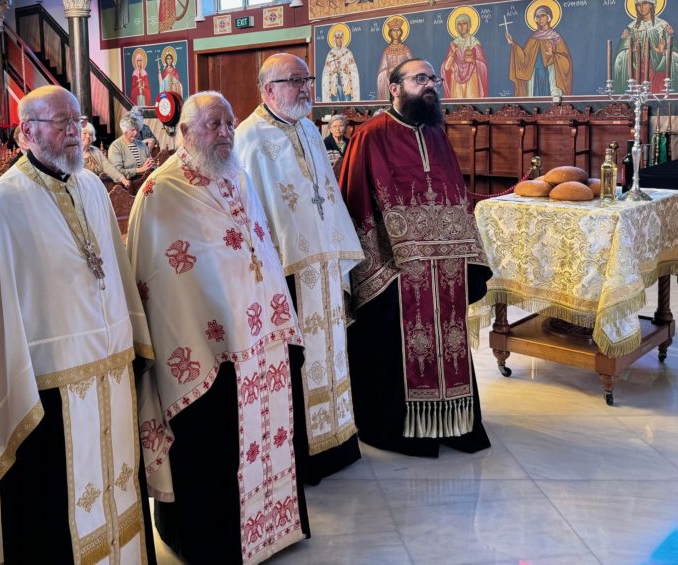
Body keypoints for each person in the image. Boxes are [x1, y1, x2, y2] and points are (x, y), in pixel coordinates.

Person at [0, 85, 155, 564]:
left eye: (77, 122)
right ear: (27, 132)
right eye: (61, 124)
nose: (75, 134)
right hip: (46, 386)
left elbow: (115, 274)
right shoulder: (2, 204)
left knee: (119, 488)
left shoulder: (91, 186)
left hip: (110, 370)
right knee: (53, 508)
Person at [128, 91, 309, 564]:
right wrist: (208, 329)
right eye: (213, 124)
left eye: (229, 123)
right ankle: (209, 541)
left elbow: (261, 251)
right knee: (210, 451)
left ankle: (271, 526)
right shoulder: (160, 192)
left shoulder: (237, 175)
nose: (226, 132)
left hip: (259, 340)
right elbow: (159, 281)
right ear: (184, 133)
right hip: (202, 350)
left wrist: (279, 317)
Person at [337, 58, 492, 457]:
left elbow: (455, 195)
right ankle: (399, 428)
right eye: (420, 79)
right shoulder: (370, 136)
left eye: (432, 79)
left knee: (450, 343)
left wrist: (466, 249)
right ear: (394, 87)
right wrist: (381, 263)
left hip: (446, 269)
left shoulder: (437, 132)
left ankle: (453, 422)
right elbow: (356, 204)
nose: (430, 86)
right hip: (395, 271)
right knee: (394, 340)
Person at [235, 55, 365, 485]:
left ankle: (339, 439)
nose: (305, 87)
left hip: (323, 265)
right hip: (286, 271)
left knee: (332, 353)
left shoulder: (310, 128)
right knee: (300, 362)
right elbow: (253, 213)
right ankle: (304, 455)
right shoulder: (249, 138)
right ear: (267, 90)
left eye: (306, 79)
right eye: (295, 81)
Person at [613, 0, 676, 93]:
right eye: (638, 5)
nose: (641, 7)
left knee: (658, 91)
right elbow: (620, 56)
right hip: (637, 69)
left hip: (657, 70)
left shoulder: (663, 26)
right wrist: (630, 51)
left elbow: (674, 52)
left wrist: (663, 52)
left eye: (645, 3)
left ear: (652, 5)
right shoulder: (630, 28)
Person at [506, 3, 573, 98]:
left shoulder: (556, 37)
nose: (540, 19)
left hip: (550, 74)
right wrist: (513, 43)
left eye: (543, 16)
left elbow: (566, 61)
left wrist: (553, 56)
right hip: (534, 75)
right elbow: (524, 57)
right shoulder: (533, 38)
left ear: (548, 18)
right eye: (537, 17)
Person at [441, 12, 489, 98]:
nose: (462, 26)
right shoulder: (453, 44)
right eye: (459, 24)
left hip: (471, 79)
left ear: (469, 25)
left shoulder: (475, 43)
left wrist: (473, 61)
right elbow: (446, 67)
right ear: (456, 27)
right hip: (456, 81)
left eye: (464, 23)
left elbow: (483, 66)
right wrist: (452, 53)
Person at [109, 113, 154, 180]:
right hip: (128, 185)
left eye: (137, 129)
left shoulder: (142, 145)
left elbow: (151, 163)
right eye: (132, 130)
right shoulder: (115, 147)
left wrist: (152, 164)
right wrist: (139, 170)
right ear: (124, 130)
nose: (136, 133)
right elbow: (117, 172)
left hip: (146, 182)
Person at [376, 18, 413, 99]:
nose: (396, 33)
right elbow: (381, 72)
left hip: (403, 80)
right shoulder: (387, 51)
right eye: (393, 30)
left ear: (401, 32)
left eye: (398, 30)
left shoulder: (406, 50)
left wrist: (402, 70)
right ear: (390, 33)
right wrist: (389, 70)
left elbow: (412, 67)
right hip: (390, 81)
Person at [322, 27, 360, 101]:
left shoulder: (348, 53)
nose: (339, 40)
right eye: (337, 38)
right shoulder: (330, 55)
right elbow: (325, 73)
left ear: (343, 39)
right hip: (335, 86)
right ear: (334, 39)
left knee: (347, 105)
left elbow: (354, 71)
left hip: (346, 86)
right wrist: (333, 71)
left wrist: (348, 71)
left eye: (340, 37)